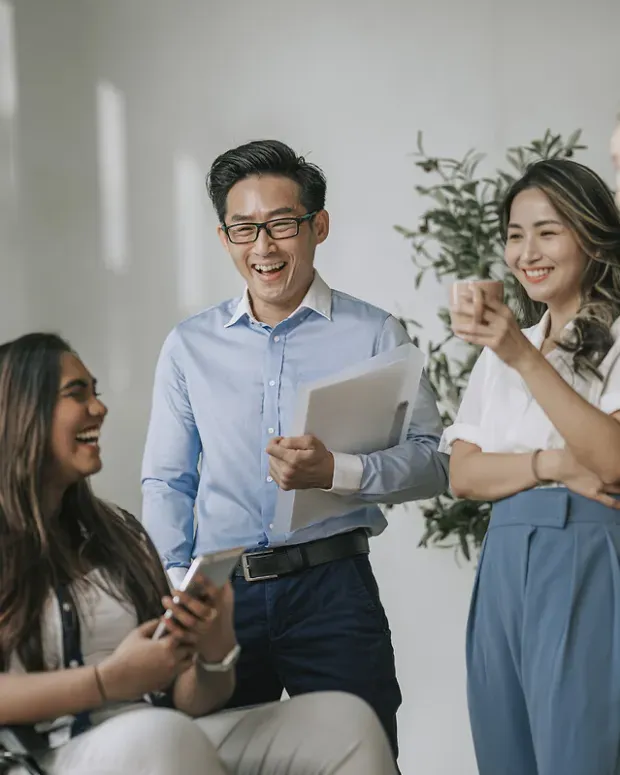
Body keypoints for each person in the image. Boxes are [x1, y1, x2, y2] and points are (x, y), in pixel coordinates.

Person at [141, 139, 449, 759]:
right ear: (224, 236)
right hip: (220, 595)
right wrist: (182, 588)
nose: (263, 247)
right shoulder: (189, 345)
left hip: (333, 589)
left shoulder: (374, 333)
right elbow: (167, 481)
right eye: (243, 229)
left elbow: (436, 460)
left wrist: (337, 470)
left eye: (281, 224)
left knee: (362, 757)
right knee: (207, 760)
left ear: (318, 226)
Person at [0, 332, 399, 775]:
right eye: (77, 394)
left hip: (161, 736)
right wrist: (107, 682)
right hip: (48, 756)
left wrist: (215, 648)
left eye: (96, 392)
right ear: (23, 410)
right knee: (162, 737)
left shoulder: (118, 535)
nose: (99, 408)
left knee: (345, 723)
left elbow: (188, 700)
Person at [440, 158, 620, 775]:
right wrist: (554, 464)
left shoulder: (612, 335)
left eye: (548, 231)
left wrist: (521, 355)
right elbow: (463, 474)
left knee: (579, 753)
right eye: (515, 234)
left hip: (587, 555)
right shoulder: (507, 348)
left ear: (591, 236)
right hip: (504, 563)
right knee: (504, 751)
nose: (526, 252)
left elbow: (613, 461)